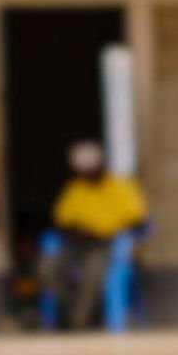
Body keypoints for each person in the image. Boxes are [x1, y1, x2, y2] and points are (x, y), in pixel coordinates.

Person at [37, 139, 147, 330]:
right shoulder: (75, 189)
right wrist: (78, 232)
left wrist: (108, 231)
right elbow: (62, 222)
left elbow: (137, 222)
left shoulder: (121, 187)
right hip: (75, 243)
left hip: (107, 243)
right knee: (47, 268)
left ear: (101, 166)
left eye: (91, 169)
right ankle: (77, 310)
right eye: (83, 171)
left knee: (94, 273)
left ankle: (79, 322)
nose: (87, 175)